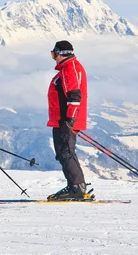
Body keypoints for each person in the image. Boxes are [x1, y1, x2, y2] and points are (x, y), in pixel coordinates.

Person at [47, 40, 88, 200]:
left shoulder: (69, 68)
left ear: (60, 53)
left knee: (65, 152)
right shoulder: (69, 67)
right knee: (65, 152)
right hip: (64, 119)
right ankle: (77, 186)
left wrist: (69, 120)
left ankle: (76, 187)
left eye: (53, 54)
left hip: (66, 119)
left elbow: (74, 96)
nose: (54, 58)